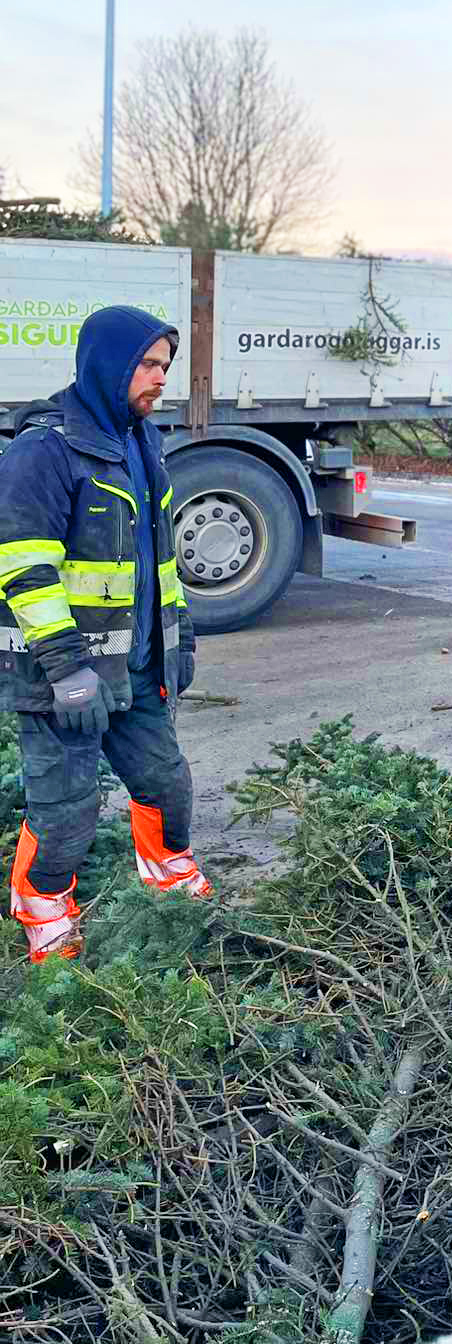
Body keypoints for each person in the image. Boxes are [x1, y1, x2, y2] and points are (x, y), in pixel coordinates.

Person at [2, 306, 210, 964]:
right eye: (148, 365)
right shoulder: (45, 450)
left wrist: (181, 640)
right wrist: (66, 670)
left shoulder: (143, 445)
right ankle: (43, 913)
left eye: (165, 366)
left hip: (140, 672)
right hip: (65, 678)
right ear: (109, 365)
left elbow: (160, 561)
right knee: (66, 814)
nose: (160, 379)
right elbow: (22, 567)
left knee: (167, 785)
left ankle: (170, 877)